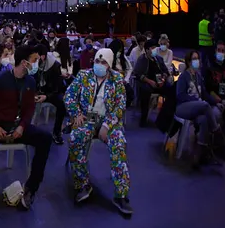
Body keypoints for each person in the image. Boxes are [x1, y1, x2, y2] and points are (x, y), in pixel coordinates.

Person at [0, 45, 52, 211]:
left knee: (45, 139)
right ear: (24, 63)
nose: (37, 63)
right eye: (35, 60)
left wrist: (23, 126)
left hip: (17, 127)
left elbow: (29, 108)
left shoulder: (30, 81)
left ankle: (31, 187)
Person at [64, 48, 132, 215]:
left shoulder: (117, 80)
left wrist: (107, 125)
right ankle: (83, 184)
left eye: (103, 63)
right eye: (97, 61)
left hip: (109, 121)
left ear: (109, 65)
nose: (99, 65)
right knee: (74, 139)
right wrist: (76, 113)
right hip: (87, 119)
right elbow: (69, 95)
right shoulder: (83, 76)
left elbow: (120, 106)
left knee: (119, 143)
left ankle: (121, 195)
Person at [176, 50, 225, 167]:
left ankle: (200, 154)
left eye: (198, 58)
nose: (197, 61)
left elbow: (205, 94)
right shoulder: (184, 76)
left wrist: (217, 102)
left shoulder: (198, 76)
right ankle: (217, 132)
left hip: (198, 108)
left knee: (204, 119)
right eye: (194, 58)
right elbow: (180, 95)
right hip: (183, 107)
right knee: (205, 105)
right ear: (188, 61)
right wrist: (196, 100)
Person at [133, 39, 172, 127]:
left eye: (155, 47)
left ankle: (165, 119)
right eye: (152, 48)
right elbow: (137, 74)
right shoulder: (142, 59)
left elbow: (165, 71)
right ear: (147, 50)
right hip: (147, 83)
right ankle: (143, 118)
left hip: (160, 82)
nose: (155, 49)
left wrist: (163, 79)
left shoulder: (159, 59)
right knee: (145, 91)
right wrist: (149, 81)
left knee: (171, 90)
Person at [33, 44, 66, 145]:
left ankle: (56, 133)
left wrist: (46, 96)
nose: (35, 59)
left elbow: (58, 87)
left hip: (51, 93)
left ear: (43, 56)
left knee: (62, 105)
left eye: (37, 56)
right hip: (37, 91)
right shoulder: (34, 64)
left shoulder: (54, 65)